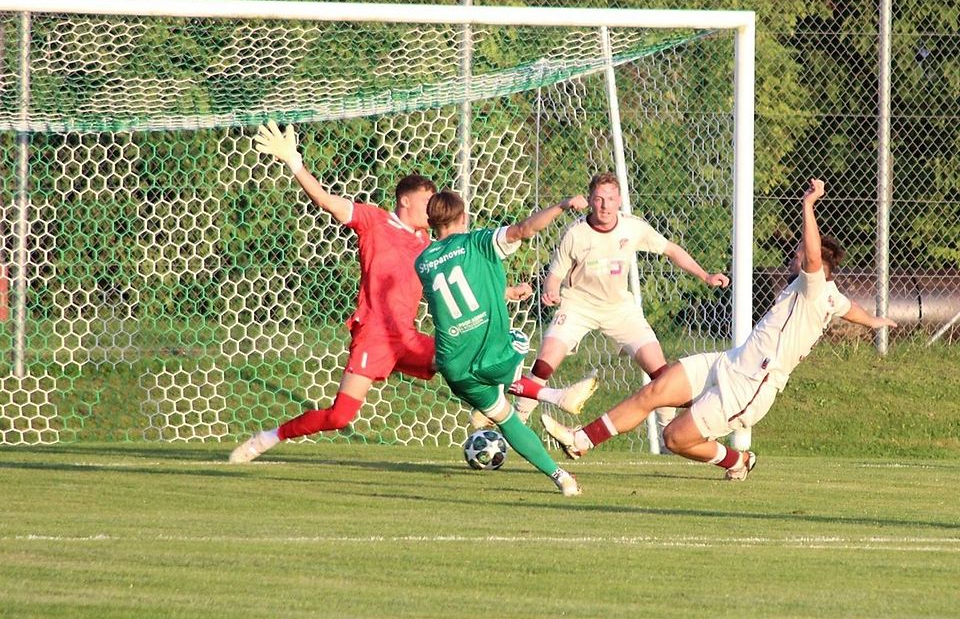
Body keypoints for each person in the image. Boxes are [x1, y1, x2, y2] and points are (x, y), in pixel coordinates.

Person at [541, 178, 898, 480]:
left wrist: (809, 204)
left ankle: (738, 460)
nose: (795, 255)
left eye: (799, 252)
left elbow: (815, 257)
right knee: (654, 390)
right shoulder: (830, 295)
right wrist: (875, 321)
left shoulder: (814, 285)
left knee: (675, 438)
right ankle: (582, 440)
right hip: (728, 361)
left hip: (749, 386)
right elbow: (851, 309)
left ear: (809, 259)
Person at [230, 121, 438, 463]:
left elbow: (451, 283)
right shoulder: (374, 221)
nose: (431, 210)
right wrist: (294, 162)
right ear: (405, 200)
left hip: (407, 336)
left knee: (461, 360)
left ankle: (513, 410)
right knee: (339, 417)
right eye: (426, 201)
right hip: (375, 336)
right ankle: (267, 438)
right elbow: (326, 201)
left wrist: (502, 292)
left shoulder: (426, 244)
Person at [513, 172, 730, 445]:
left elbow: (672, 250)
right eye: (599, 199)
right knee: (544, 364)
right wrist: (551, 289)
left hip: (620, 311)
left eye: (611, 199)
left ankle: (668, 442)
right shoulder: (576, 234)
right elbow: (555, 274)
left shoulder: (633, 227)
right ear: (590, 200)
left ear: (619, 202)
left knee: (662, 375)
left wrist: (705, 276)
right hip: (578, 306)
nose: (605, 205)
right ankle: (514, 426)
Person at [416, 189, 595, 496]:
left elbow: (460, 297)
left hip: (453, 364)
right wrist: (562, 205)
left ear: (431, 222)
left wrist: (507, 294)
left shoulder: (423, 262)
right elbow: (525, 229)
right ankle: (555, 397)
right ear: (463, 218)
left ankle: (563, 477)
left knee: (505, 416)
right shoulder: (478, 242)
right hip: (492, 354)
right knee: (518, 339)